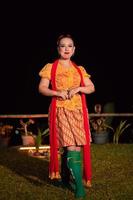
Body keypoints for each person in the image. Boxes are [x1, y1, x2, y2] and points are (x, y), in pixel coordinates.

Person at [38, 34, 95, 199]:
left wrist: (78, 89)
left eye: (69, 46)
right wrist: (57, 92)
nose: (66, 49)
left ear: (74, 49)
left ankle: (65, 177)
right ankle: (79, 188)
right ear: (58, 49)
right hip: (60, 109)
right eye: (63, 46)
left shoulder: (80, 69)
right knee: (70, 146)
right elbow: (42, 88)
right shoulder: (51, 67)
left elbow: (91, 87)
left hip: (78, 111)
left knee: (77, 147)